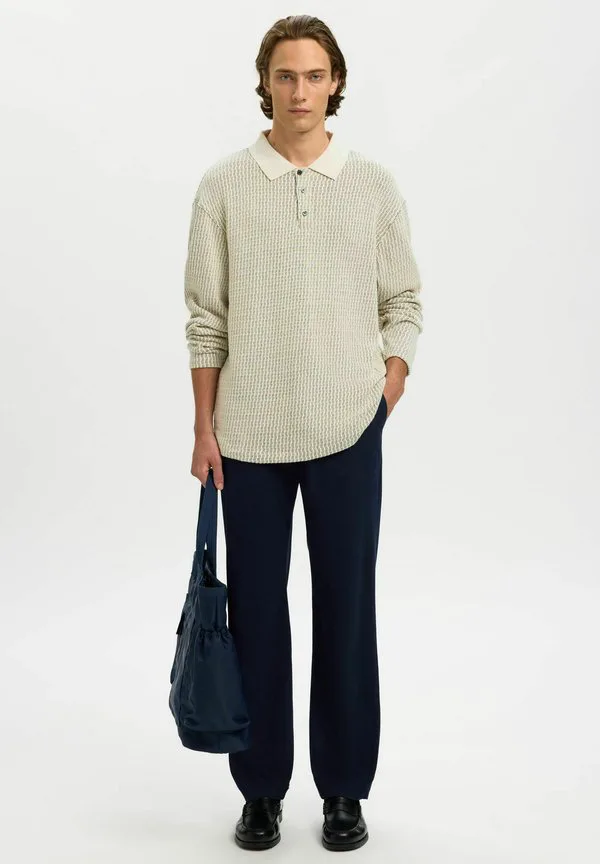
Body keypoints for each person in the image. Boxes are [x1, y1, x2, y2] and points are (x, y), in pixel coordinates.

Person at [183, 13, 423, 852]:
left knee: (345, 610)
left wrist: (387, 386)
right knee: (256, 612)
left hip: (349, 429)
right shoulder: (222, 186)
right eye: (285, 75)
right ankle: (261, 790)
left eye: (314, 75)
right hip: (247, 436)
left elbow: (404, 300)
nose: (299, 90)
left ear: (335, 83)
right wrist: (204, 427)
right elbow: (206, 318)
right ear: (266, 83)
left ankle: (345, 789)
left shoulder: (372, 185)